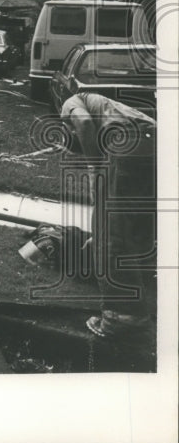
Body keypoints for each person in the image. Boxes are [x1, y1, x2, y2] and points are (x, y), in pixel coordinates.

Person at [60, 92, 156, 340]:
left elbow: (82, 123)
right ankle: (146, 301)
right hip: (155, 145)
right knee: (138, 230)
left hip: (128, 148)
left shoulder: (72, 102)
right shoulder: (110, 108)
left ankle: (122, 316)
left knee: (112, 235)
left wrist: (95, 166)